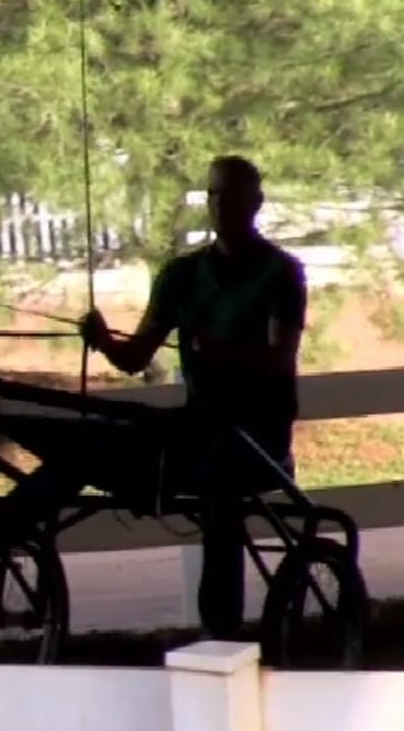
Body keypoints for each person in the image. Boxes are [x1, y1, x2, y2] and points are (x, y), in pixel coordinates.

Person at [77, 153, 310, 640]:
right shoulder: (181, 275)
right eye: (213, 193)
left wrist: (226, 352)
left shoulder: (281, 274)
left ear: (256, 202)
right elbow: (135, 357)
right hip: (202, 425)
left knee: (220, 492)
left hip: (258, 434)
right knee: (108, 446)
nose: (220, 203)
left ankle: (219, 630)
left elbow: (279, 358)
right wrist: (103, 340)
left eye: (231, 193)